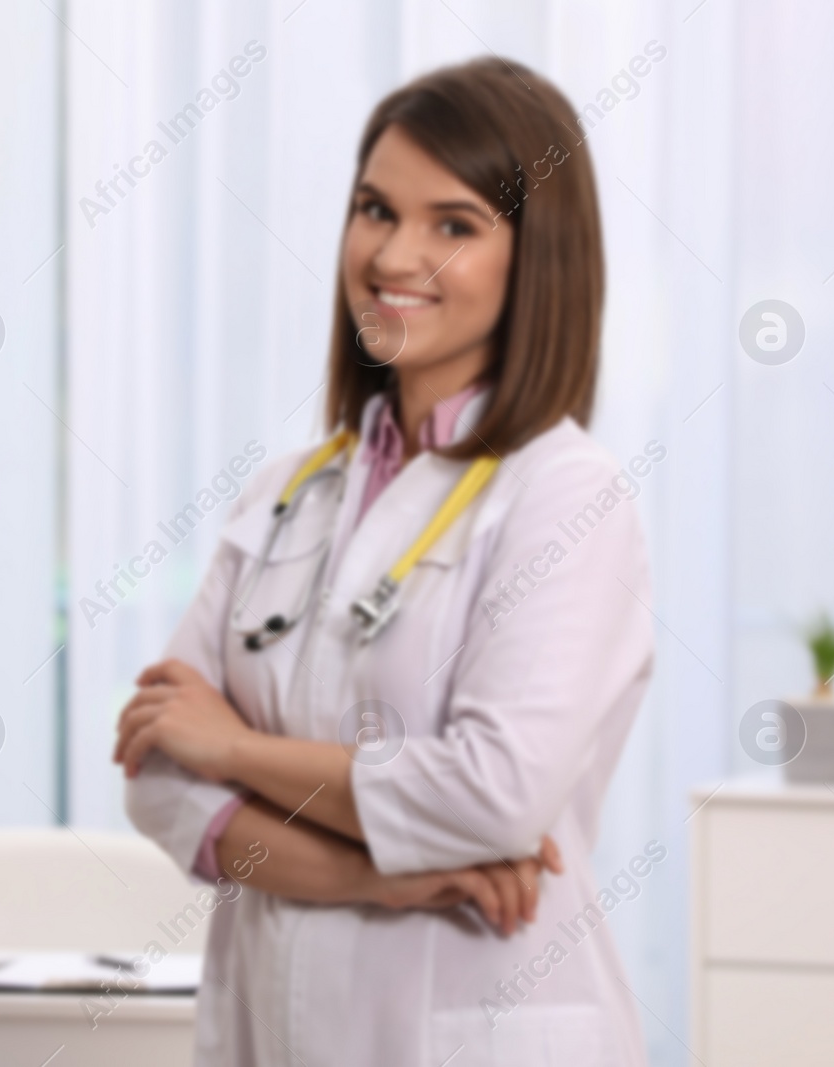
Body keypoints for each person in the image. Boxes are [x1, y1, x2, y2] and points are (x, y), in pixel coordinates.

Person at [115, 57, 655, 1066]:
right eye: (374, 209)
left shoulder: (563, 493)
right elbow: (156, 772)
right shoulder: (285, 490)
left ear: (535, 256)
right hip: (271, 1022)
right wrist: (372, 874)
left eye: (454, 223)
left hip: (477, 1016)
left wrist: (234, 749)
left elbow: (492, 794)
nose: (394, 253)